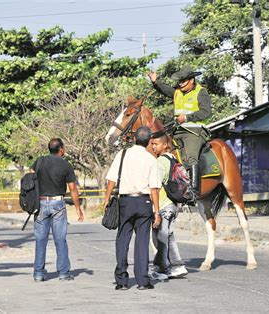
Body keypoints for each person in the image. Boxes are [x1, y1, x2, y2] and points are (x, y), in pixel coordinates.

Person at [103, 126, 161, 291]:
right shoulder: (151, 159)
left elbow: (111, 180)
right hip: (144, 203)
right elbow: (154, 189)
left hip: (125, 202)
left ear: (135, 138)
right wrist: (157, 212)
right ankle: (142, 281)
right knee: (142, 242)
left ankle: (121, 281)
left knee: (122, 239)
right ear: (149, 141)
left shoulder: (122, 154)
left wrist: (107, 199)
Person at [148, 66, 212, 192]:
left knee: (191, 157)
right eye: (179, 81)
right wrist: (155, 82)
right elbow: (165, 90)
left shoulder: (201, 92)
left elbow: (206, 112)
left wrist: (187, 117)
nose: (180, 84)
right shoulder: (177, 92)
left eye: (183, 81)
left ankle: (193, 191)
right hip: (177, 131)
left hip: (195, 131)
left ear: (191, 80)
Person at [31, 138, 85, 282]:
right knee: (60, 239)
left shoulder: (39, 162)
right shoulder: (66, 165)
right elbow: (72, 188)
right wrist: (78, 208)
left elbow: (29, 177)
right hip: (58, 205)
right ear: (61, 149)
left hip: (41, 204)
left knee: (40, 239)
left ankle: (38, 273)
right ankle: (63, 273)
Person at [149, 134, 188, 281]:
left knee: (161, 237)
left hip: (163, 205)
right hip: (173, 205)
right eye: (152, 144)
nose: (153, 147)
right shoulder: (173, 159)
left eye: (156, 144)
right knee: (169, 236)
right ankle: (177, 266)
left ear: (165, 145)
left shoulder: (160, 161)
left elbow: (155, 186)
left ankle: (161, 269)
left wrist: (155, 210)